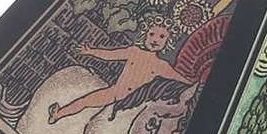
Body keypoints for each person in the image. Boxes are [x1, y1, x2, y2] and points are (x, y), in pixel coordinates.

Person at [48, 21, 191, 124]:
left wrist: (195, 84)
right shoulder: (134, 51)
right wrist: (91, 51)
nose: (155, 40)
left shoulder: (162, 65)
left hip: (135, 103)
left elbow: (179, 79)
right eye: (152, 34)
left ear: (168, 42)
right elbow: (111, 55)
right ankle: (58, 114)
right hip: (115, 93)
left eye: (162, 37)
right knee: (85, 101)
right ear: (145, 35)